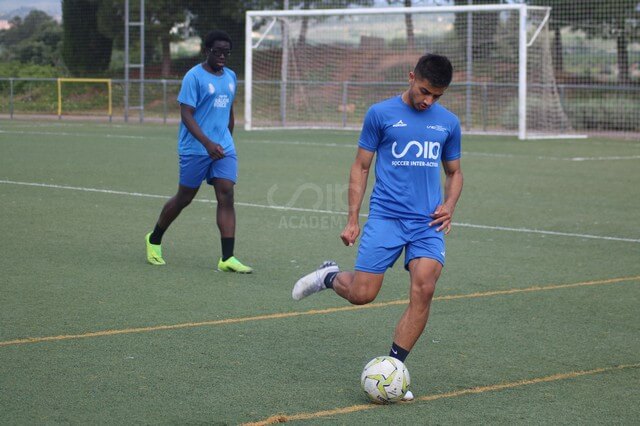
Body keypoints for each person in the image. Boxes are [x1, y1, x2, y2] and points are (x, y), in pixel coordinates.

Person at [292, 54, 463, 382]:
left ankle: (394, 369)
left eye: (437, 96)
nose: (429, 101)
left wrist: (450, 203)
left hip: (427, 223)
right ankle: (329, 276)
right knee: (362, 294)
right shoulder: (380, 114)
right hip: (386, 217)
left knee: (425, 286)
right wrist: (353, 219)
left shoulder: (448, 123)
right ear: (411, 77)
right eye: (425, 91)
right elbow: (361, 166)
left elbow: (455, 173)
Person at [145, 30, 252, 273]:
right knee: (184, 198)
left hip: (222, 148)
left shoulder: (231, 77)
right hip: (195, 148)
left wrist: (226, 141)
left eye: (227, 52)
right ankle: (154, 239)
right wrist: (206, 143)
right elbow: (186, 114)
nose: (222, 56)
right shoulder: (194, 77)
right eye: (217, 52)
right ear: (207, 51)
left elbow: (229, 113)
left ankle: (227, 258)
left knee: (226, 194)